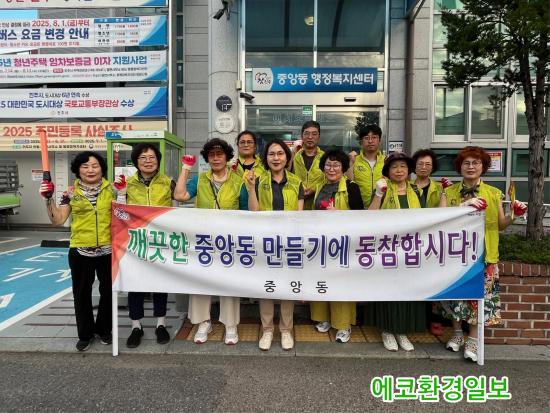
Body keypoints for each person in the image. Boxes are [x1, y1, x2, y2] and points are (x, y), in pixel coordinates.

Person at [438, 146, 527, 362]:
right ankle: (457, 333)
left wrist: (513, 215)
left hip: (485, 254)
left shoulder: (494, 193)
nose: (471, 167)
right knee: (455, 295)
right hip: (456, 253)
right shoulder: (448, 192)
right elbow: (441, 219)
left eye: (476, 163)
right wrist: (464, 205)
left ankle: (473, 339)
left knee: (480, 297)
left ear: (483, 167)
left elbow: (500, 225)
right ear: (460, 167)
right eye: (466, 163)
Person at [39, 152, 115, 351]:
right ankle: (85, 334)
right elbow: (58, 220)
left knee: (108, 292)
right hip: (80, 250)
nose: (90, 170)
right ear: (77, 170)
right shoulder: (70, 193)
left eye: (95, 166)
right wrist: (48, 199)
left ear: (102, 169)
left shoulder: (113, 190)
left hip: (109, 250)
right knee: (81, 294)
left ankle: (104, 330)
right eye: (85, 166)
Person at [174, 138, 247, 345]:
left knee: (229, 283)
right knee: (201, 281)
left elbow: (246, 212)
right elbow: (179, 195)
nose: (216, 158)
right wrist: (186, 168)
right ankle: (203, 322)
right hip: (204, 240)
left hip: (229, 241)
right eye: (211, 155)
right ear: (207, 158)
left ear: (227, 157)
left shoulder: (239, 181)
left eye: (220, 154)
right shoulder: (200, 180)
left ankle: (230, 324)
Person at [115, 143, 176, 349]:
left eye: (152, 157)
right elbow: (119, 210)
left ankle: (161, 324)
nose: (148, 161)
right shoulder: (128, 184)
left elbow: (178, 206)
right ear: (136, 162)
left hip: (160, 240)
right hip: (135, 241)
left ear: (158, 160)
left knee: (160, 283)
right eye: (143, 158)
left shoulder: (168, 182)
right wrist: (121, 193)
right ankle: (136, 326)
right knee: (135, 284)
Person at [246, 138, 305, 351]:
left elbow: (299, 215)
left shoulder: (297, 182)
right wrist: (251, 189)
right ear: (266, 158)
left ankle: (286, 330)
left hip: (289, 242)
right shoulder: (258, 180)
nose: (276, 158)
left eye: (280, 154)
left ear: (287, 158)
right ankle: (267, 330)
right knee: (267, 286)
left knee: (287, 288)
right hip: (266, 241)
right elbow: (254, 212)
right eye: (272, 154)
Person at [365, 152, 427, 352]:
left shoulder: (416, 190)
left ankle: (402, 331)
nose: (399, 170)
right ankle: (387, 331)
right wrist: (378, 194)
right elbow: (369, 216)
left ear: (409, 170)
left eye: (403, 166)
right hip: (387, 248)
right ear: (387, 171)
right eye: (394, 167)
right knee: (387, 290)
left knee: (406, 290)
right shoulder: (382, 188)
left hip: (410, 249)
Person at [309, 149, 364, 343]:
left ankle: (343, 324)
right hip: (320, 244)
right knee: (321, 281)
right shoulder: (320, 186)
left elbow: (361, 217)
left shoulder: (351, 187)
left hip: (343, 245)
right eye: (328, 165)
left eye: (336, 165)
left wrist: (338, 213)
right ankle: (323, 318)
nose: (331, 169)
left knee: (341, 283)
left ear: (343, 168)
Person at [347, 124, 385, 208]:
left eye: (374, 137)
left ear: (379, 140)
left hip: (383, 209)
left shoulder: (386, 161)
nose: (370, 141)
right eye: (366, 138)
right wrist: (350, 163)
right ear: (361, 141)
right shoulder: (354, 160)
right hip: (359, 209)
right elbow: (349, 183)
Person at [291, 120, 325, 210]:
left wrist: (314, 189)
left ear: (319, 137)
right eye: (306, 133)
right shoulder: (295, 157)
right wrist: (299, 187)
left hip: (319, 207)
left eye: (314, 134)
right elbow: (288, 176)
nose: (310, 137)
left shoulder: (325, 158)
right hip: (296, 206)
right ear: (302, 136)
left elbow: (330, 181)